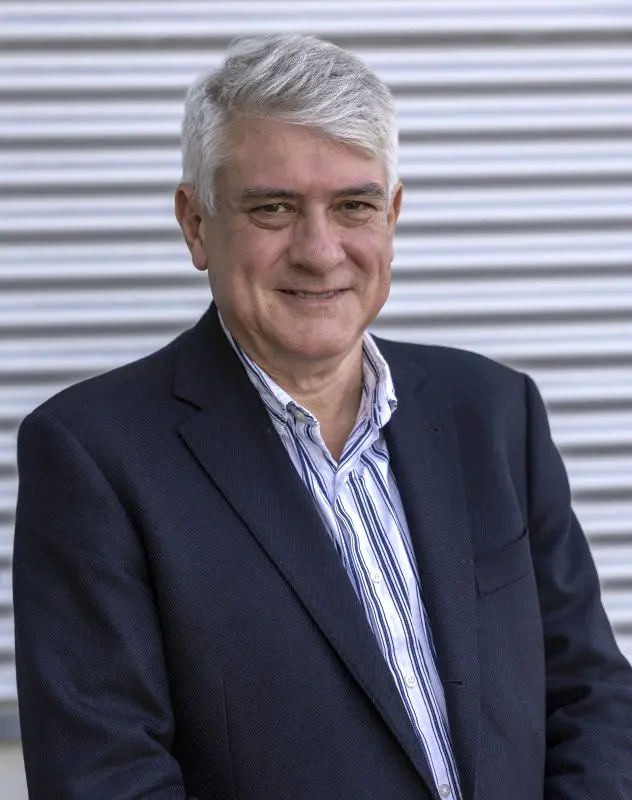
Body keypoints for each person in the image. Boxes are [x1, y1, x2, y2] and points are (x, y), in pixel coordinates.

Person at [13, 34, 632, 800]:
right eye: (272, 208)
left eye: (354, 206)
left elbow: (592, 696)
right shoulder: (92, 459)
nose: (319, 250)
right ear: (196, 223)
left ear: (392, 216)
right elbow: (106, 778)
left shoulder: (495, 413)